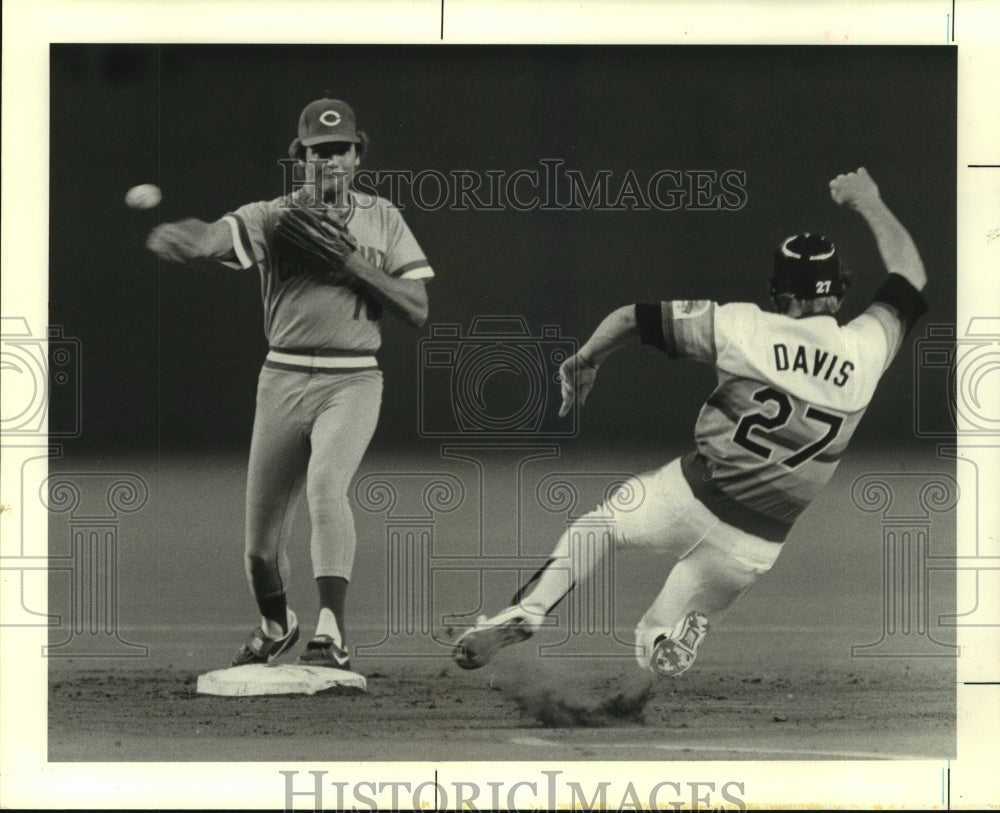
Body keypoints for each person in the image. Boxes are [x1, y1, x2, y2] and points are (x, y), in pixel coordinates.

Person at [452, 167, 927, 677]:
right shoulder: (867, 348)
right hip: (756, 545)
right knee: (650, 641)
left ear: (779, 292)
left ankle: (528, 609)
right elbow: (910, 280)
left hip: (690, 495)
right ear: (838, 295)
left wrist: (586, 359)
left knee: (598, 527)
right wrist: (870, 201)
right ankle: (669, 636)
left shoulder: (744, 326)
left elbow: (633, 317)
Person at [147, 98, 433, 670]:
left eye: (340, 150)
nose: (331, 161)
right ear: (299, 157)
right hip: (281, 379)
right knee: (258, 549)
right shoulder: (273, 217)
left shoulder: (384, 219)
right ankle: (277, 627)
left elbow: (418, 308)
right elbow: (213, 236)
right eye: (318, 152)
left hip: (351, 382)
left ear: (359, 153)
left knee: (327, 485)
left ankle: (332, 631)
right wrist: (187, 238)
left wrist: (355, 265)